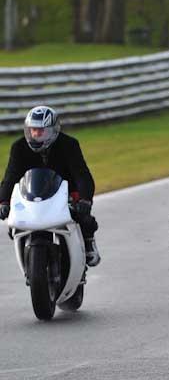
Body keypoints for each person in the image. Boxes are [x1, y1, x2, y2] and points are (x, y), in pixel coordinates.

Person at [0, 106, 100, 266]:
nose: (36, 135)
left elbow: (82, 175)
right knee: (14, 227)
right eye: (33, 130)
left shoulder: (69, 144)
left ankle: (88, 243)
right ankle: (27, 255)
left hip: (66, 192)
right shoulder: (19, 147)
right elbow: (10, 176)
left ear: (53, 131)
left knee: (84, 218)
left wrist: (85, 199)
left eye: (41, 131)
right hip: (32, 195)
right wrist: (3, 201)